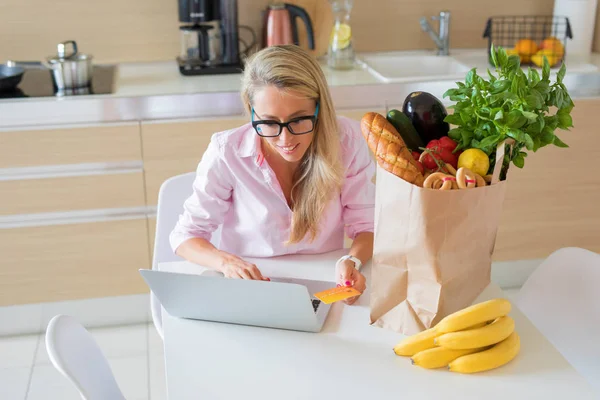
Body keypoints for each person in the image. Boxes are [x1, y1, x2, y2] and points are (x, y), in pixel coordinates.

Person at [170, 45, 375, 304]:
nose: (285, 139)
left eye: (299, 119)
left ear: (319, 110)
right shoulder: (226, 152)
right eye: (268, 122)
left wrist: (352, 260)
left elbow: (368, 226)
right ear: (252, 111)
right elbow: (186, 236)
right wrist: (227, 263)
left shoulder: (347, 141)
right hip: (250, 288)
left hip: (323, 280)